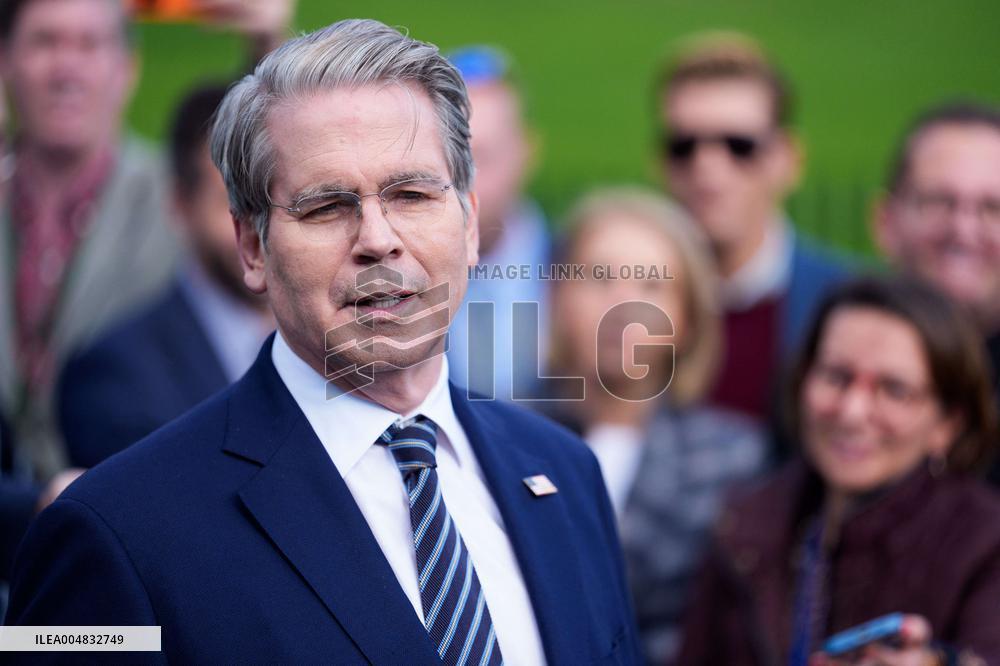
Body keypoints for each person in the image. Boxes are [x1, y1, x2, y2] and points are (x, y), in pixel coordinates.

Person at [6, 19, 641, 664]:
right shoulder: (119, 529)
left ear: (470, 223)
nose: (378, 239)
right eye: (326, 207)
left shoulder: (567, 473)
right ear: (252, 247)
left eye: (412, 194)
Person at [678, 276, 1000, 665]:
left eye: (894, 389)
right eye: (836, 376)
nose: (851, 412)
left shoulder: (985, 546)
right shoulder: (746, 522)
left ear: (947, 424)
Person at [543, 187, 768, 663]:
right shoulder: (498, 437)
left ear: (688, 318)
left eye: (651, 286)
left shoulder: (736, 460)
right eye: (600, 277)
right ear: (557, 296)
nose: (624, 306)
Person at [0, 0, 180, 480]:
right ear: (5, 59)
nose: (66, 69)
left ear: (127, 69)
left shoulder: (177, 202)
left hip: (123, 496)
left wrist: (264, 45)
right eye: (45, 42)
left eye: (89, 44)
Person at [57, 83, 274, 468]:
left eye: (276, 197)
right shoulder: (115, 378)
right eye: (234, 203)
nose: (263, 228)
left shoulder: (341, 345)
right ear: (179, 205)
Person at [656, 32, 849, 424]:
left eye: (739, 146)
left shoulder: (843, 302)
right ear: (660, 162)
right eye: (684, 146)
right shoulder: (620, 297)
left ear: (788, 160)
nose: (707, 167)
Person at [874, 102, 1000, 482]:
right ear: (886, 222)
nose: (963, 230)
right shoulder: (829, 366)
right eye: (939, 203)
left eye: (992, 208)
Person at [445, 46, 552, 401]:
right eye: (450, 160)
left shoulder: (573, 267)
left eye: (483, 157)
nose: (465, 181)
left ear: (526, 153)